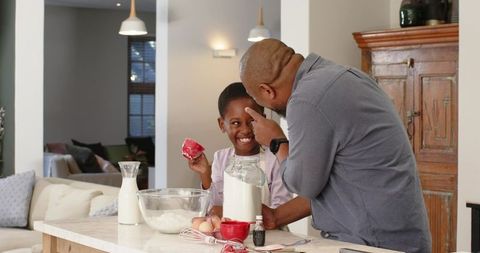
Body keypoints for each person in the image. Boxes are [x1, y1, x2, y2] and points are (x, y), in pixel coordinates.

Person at [239, 39, 431, 253]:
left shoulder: (307, 99)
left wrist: (277, 142)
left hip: (374, 244)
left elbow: (303, 184)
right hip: (398, 238)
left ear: (267, 91)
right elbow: (335, 182)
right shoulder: (340, 75)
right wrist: (276, 216)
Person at [187, 82, 292, 217]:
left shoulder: (275, 159)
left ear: (262, 120)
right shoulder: (221, 157)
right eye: (236, 123)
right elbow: (214, 208)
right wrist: (205, 174)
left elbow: (280, 211)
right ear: (222, 125)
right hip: (232, 236)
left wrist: (231, 213)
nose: (246, 130)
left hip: (270, 235)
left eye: (252, 121)